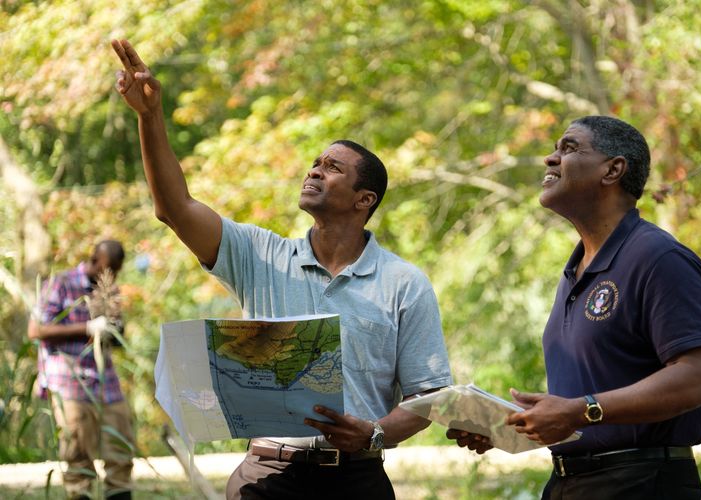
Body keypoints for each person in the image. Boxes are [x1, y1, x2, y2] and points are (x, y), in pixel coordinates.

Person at [111, 39, 452, 499]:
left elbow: (429, 398)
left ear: (363, 199)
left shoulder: (404, 284)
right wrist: (149, 118)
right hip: (266, 475)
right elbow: (175, 208)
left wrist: (374, 433)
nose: (314, 171)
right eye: (314, 163)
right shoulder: (257, 254)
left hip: (357, 480)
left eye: (331, 168)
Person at [448, 116, 701, 499]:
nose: (550, 158)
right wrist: (512, 424)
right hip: (570, 483)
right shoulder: (575, 270)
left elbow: (698, 377)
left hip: (642, 483)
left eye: (569, 148)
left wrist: (582, 410)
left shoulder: (659, 258)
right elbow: (587, 397)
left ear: (613, 170)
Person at [28, 240, 134, 500]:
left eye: (116, 272)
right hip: (69, 381)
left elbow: (117, 338)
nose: (110, 276)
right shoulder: (62, 283)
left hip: (105, 381)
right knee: (78, 455)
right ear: (95, 259)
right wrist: (86, 327)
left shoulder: (108, 289)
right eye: (108, 269)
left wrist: (114, 329)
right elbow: (37, 330)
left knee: (120, 445)